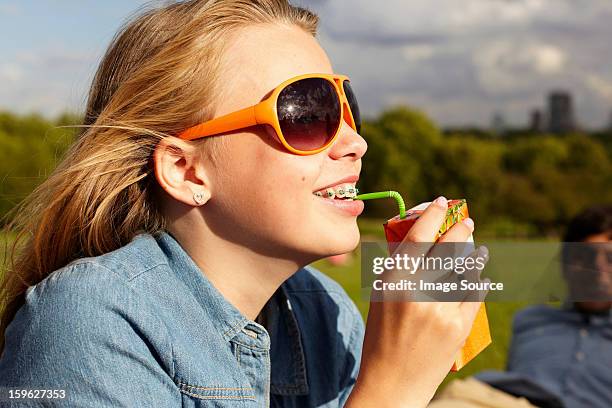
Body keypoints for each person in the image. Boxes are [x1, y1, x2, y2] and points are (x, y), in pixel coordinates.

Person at [0, 1, 482, 406]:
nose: (354, 142)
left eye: (345, 104)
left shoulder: (323, 311)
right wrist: (394, 385)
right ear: (186, 171)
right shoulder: (85, 324)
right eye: (308, 113)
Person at [430, 204, 612, 408]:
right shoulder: (531, 318)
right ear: (565, 265)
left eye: (610, 259)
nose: (598, 270)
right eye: (585, 257)